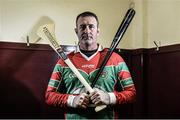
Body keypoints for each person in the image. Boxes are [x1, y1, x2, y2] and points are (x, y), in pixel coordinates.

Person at [45, 11, 136, 119]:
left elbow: (132, 94)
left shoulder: (115, 59)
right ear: (76, 31)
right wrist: (72, 100)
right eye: (82, 27)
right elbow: (49, 96)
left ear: (98, 31)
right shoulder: (63, 62)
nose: (87, 31)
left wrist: (109, 98)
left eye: (91, 27)